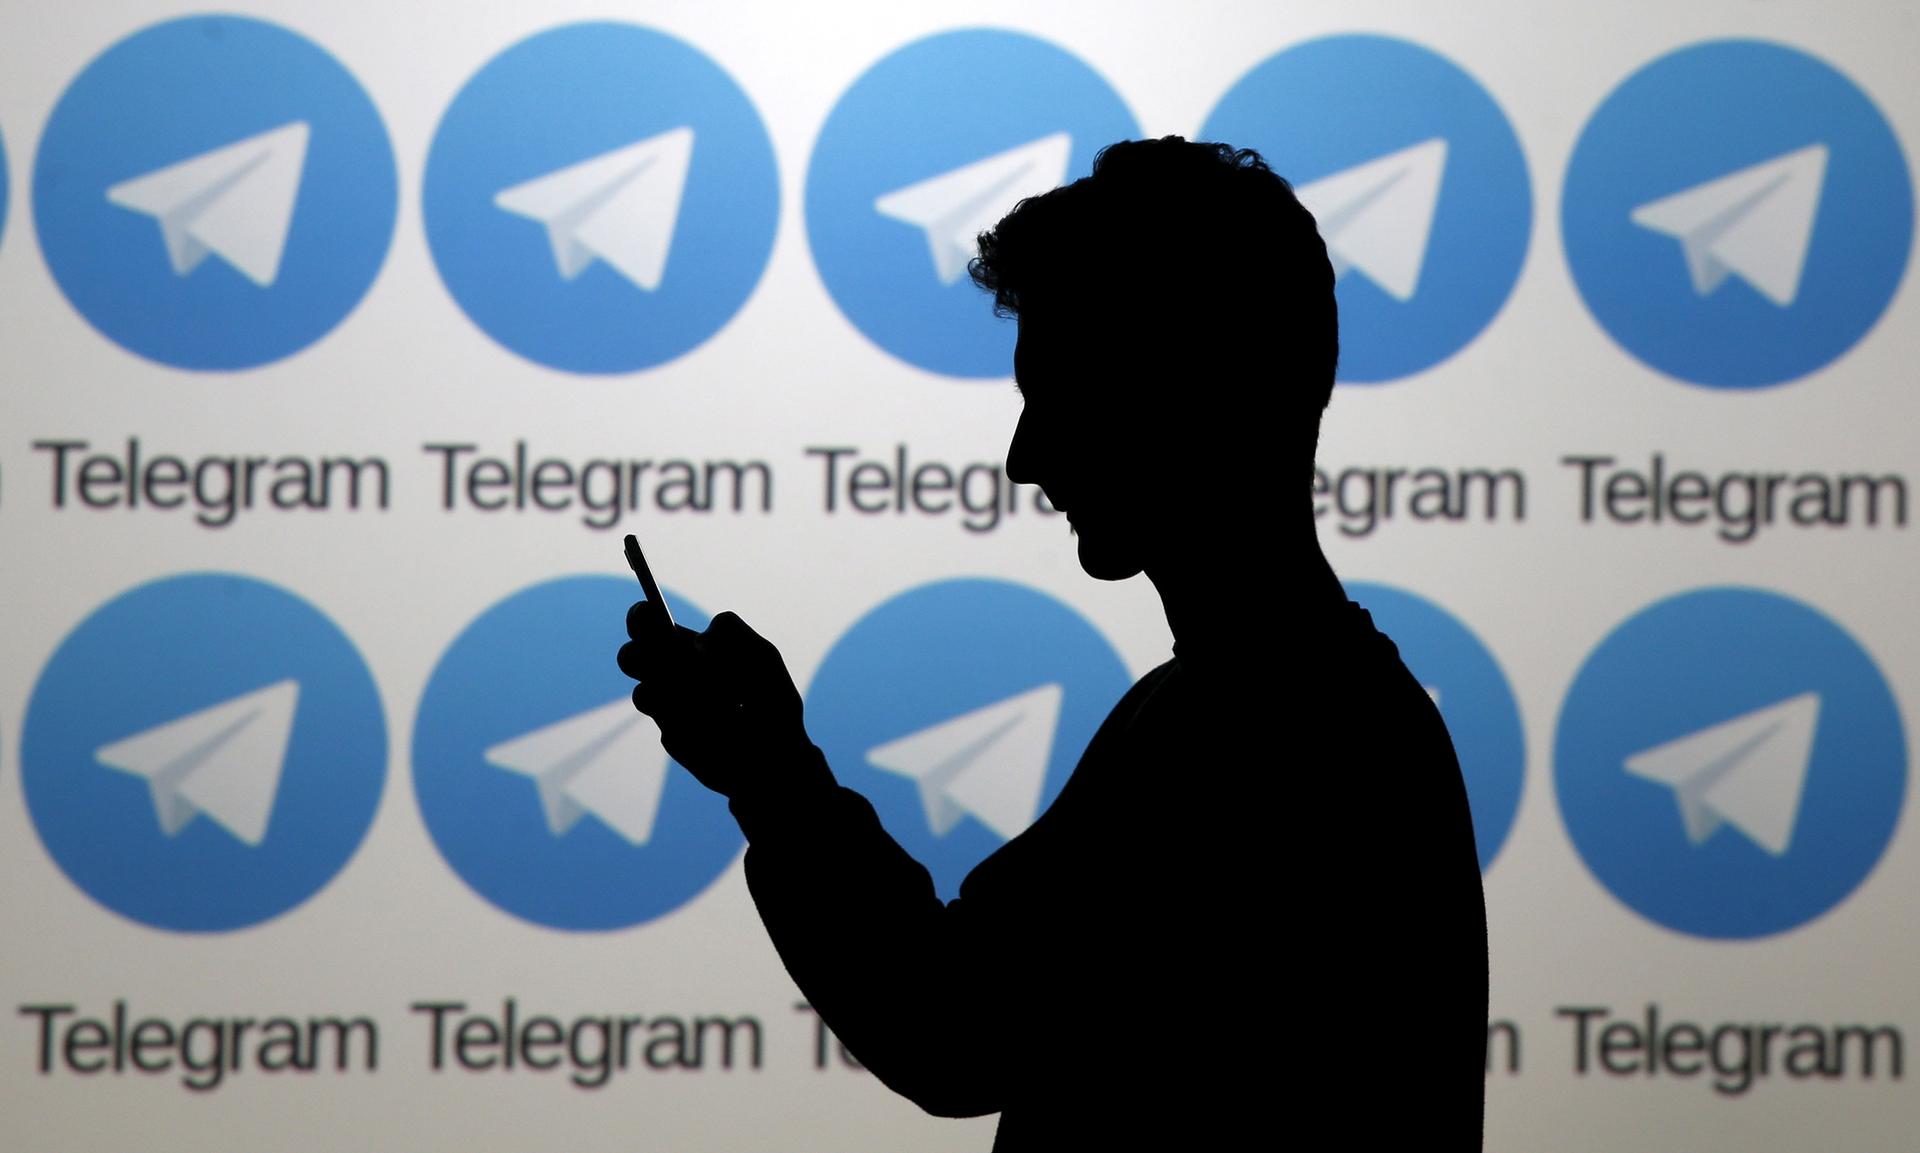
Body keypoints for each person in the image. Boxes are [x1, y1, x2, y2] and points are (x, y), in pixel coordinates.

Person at [619, 136, 1487, 1150]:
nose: (1026, 459)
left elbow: (950, 1024)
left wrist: (774, 780)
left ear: (1194, 397)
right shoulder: (1299, 707)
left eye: (1064, 400)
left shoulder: (1261, 732)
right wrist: (773, 775)